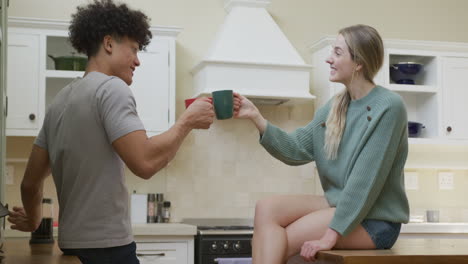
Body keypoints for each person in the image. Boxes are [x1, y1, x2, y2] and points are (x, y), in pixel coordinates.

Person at [7, 0, 214, 263]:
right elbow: (145, 162)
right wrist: (187, 122)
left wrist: (34, 219)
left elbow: (29, 183)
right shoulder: (111, 89)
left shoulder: (59, 101)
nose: (138, 61)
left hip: (72, 246)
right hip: (109, 248)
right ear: (108, 44)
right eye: (134, 49)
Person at [233, 24, 409, 263]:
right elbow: (296, 149)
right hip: (339, 206)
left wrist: (330, 235)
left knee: (281, 241)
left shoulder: (388, 106)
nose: (329, 59)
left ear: (359, 63)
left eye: (337, 53)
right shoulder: (335, 106)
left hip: (374, 220)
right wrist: (256, 117)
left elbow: (364, 181)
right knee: (266, 208)